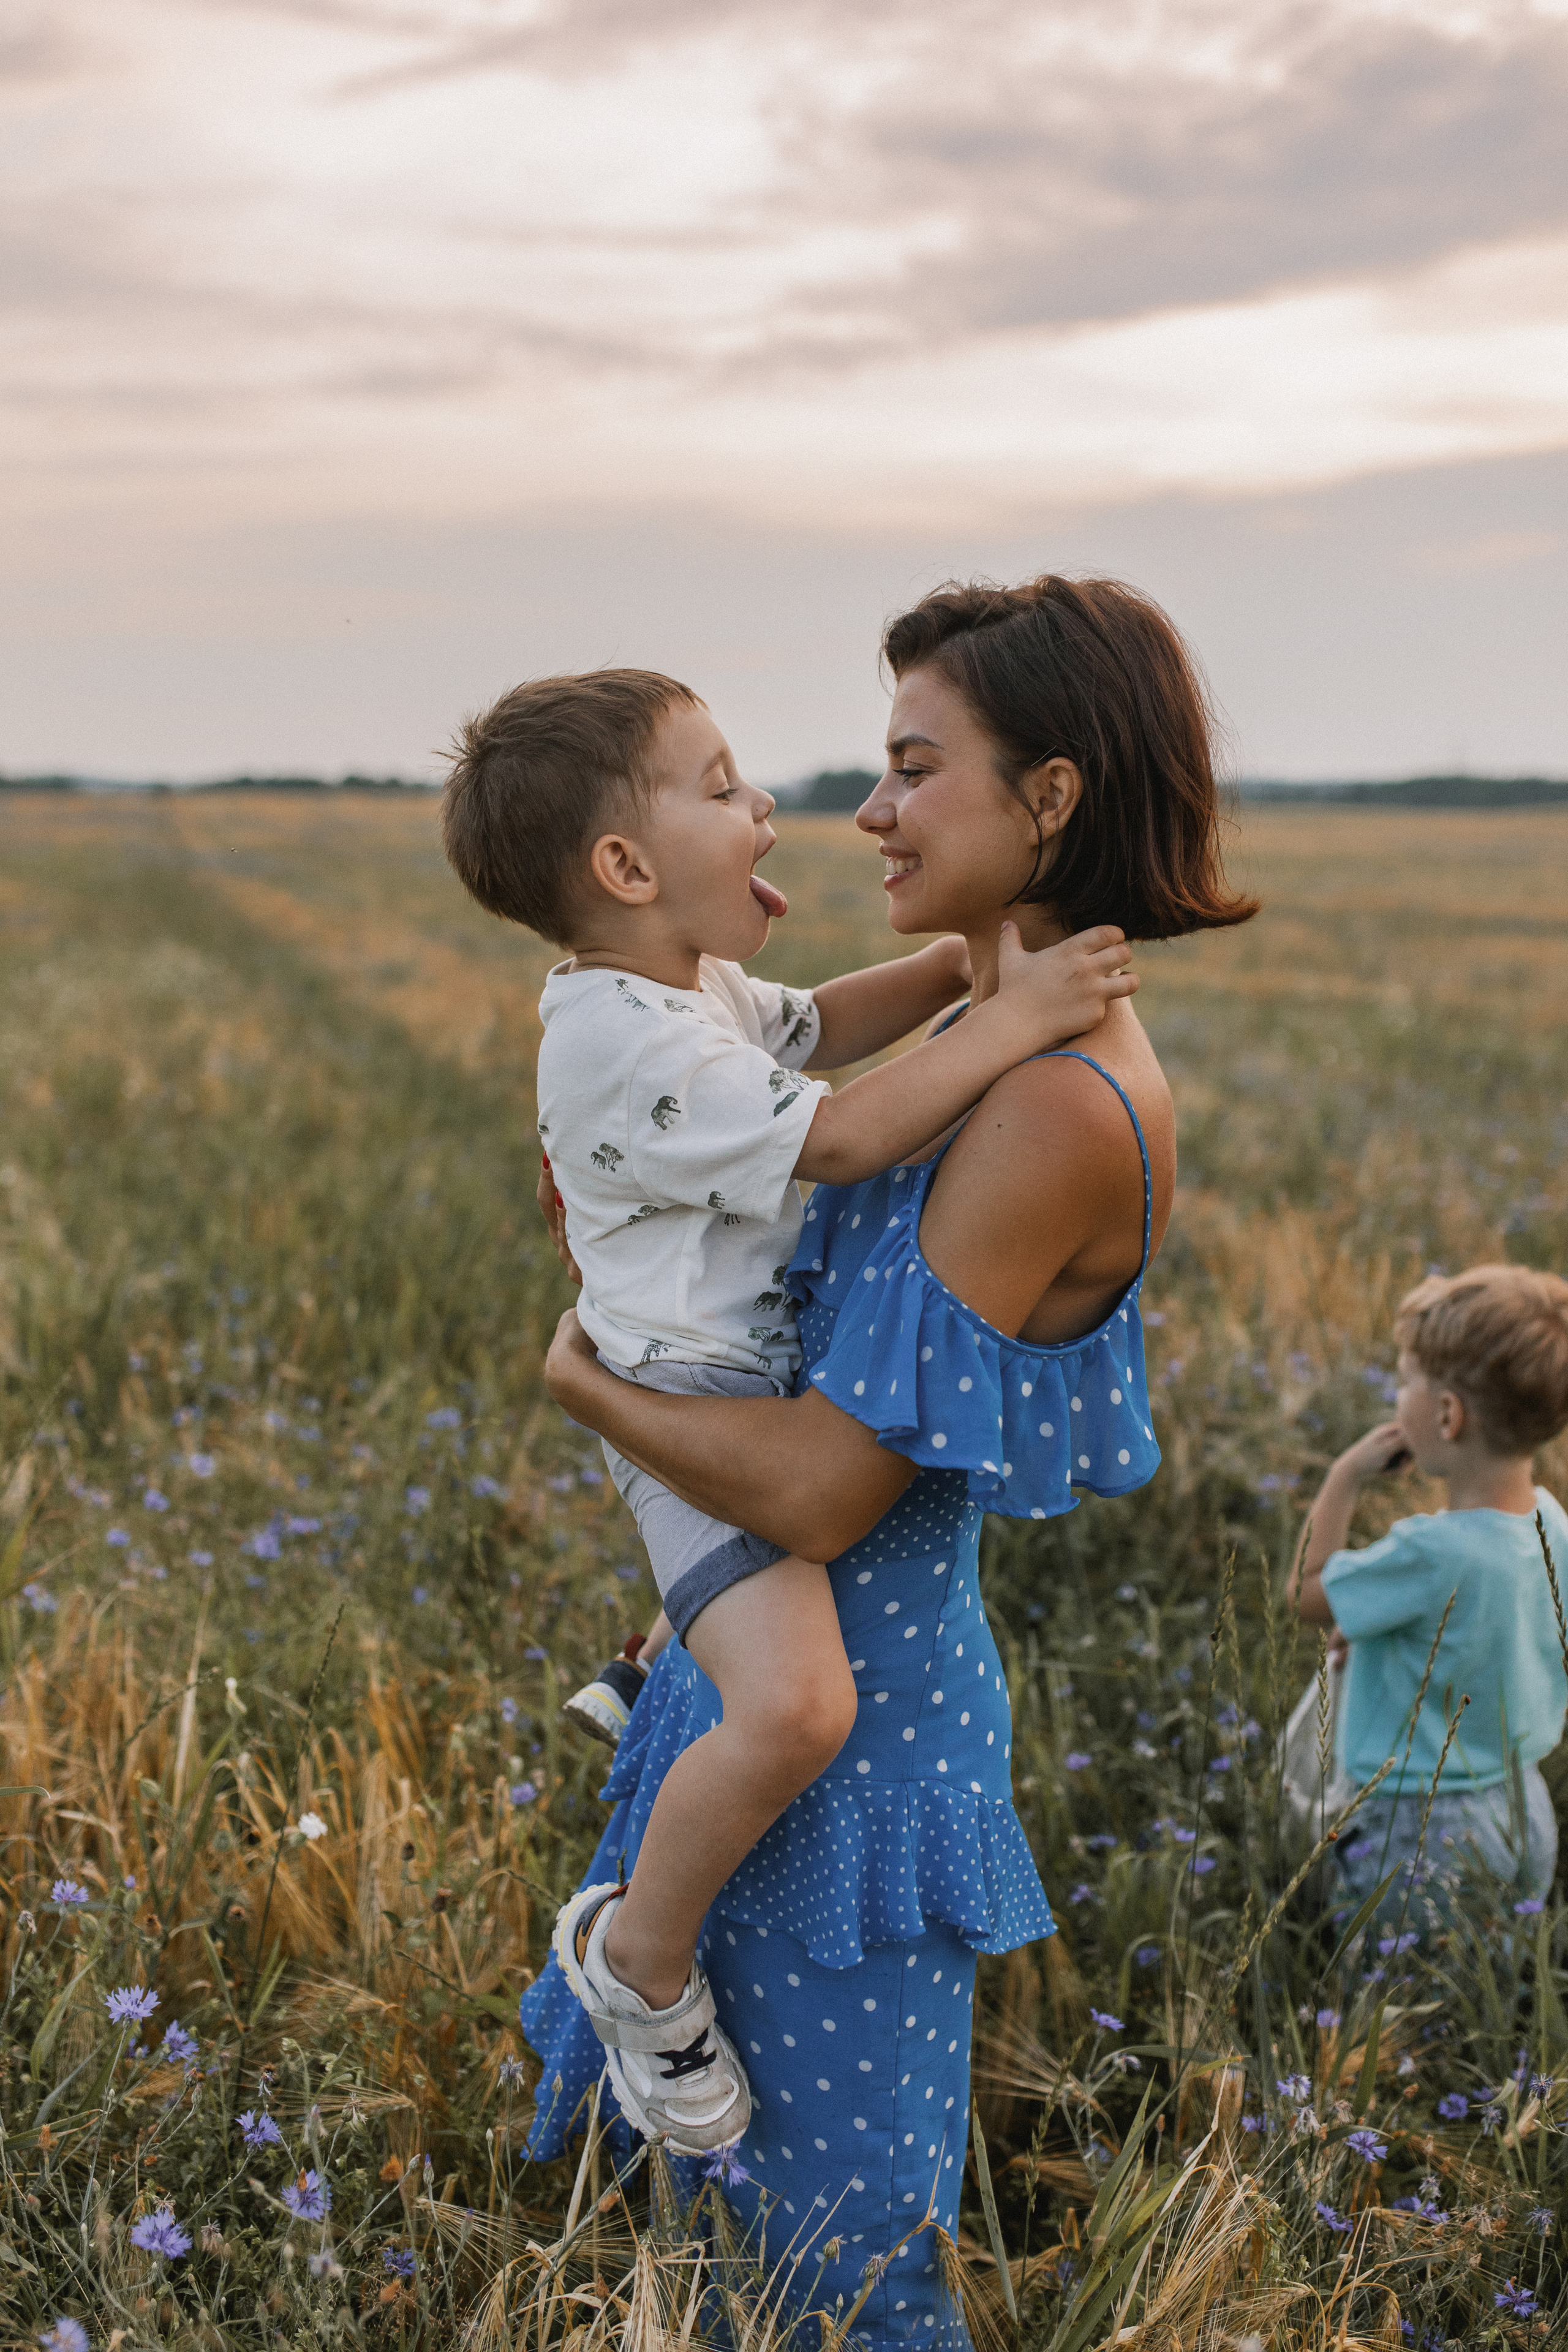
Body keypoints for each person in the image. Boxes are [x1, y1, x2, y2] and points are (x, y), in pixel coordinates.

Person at [522, 575, 1256, 2347]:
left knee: (836, 2275)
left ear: (1054, 799)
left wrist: (587, 1383)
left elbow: (836, 1491)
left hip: (845, 1745)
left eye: (914, 766)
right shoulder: (988, 1039)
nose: (865, 809)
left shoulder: (1052, 1100)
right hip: (775, 1674)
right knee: (712, 2245)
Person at [442, 666, 1139, 2150]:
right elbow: (846, 1130)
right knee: (799, 1702)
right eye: (719, 787)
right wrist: (1016, 1019)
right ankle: (637, 1959)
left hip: (726, 1370)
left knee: (771, 1661)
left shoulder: (679, 986)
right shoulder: (624, 1038)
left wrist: (969, 975)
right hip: (688, 1397)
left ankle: (656, 1655)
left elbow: (819, 1024)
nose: (769, 806)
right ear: (624, 870)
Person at [1287, 1263, 1568, 1925]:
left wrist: (1341, 1479)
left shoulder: (1429, 1554)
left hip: (1415, 1825)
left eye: (1405, 1380)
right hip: (1522, 1806)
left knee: (1392, 2006)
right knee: (1484, 1992)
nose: (1396, 1396)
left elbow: (1305, 1593)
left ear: (1447, 1414)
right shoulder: (1552, 1525)